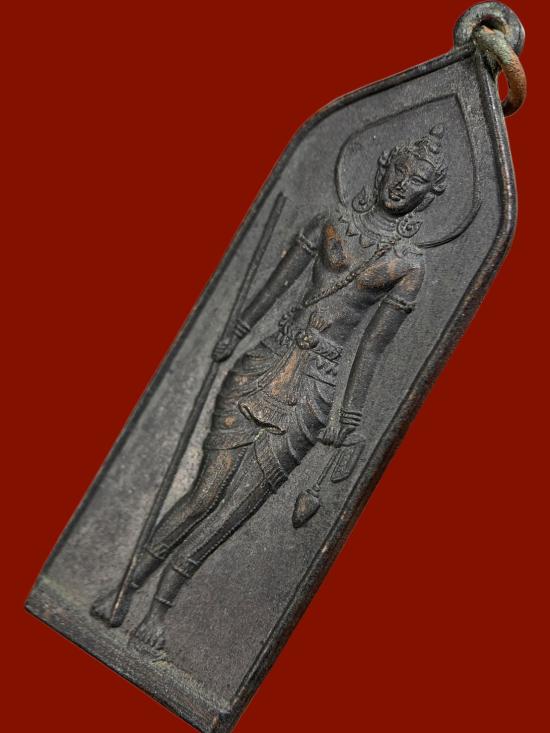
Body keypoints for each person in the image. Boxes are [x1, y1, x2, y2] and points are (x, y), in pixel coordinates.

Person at [92, 124, 448, 654]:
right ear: (382, 167)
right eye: (398, 169)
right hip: (265, 361)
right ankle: (126, 586)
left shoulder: (409, 265)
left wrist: (349, 415)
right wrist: (234, 330)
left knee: (236, 511)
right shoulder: (330, 221)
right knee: (205, 493)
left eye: (415, 180)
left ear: (428, 193)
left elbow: (373, 348)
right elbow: (275, 284)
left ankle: (161, 609)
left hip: (314, 391)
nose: (401, 185)